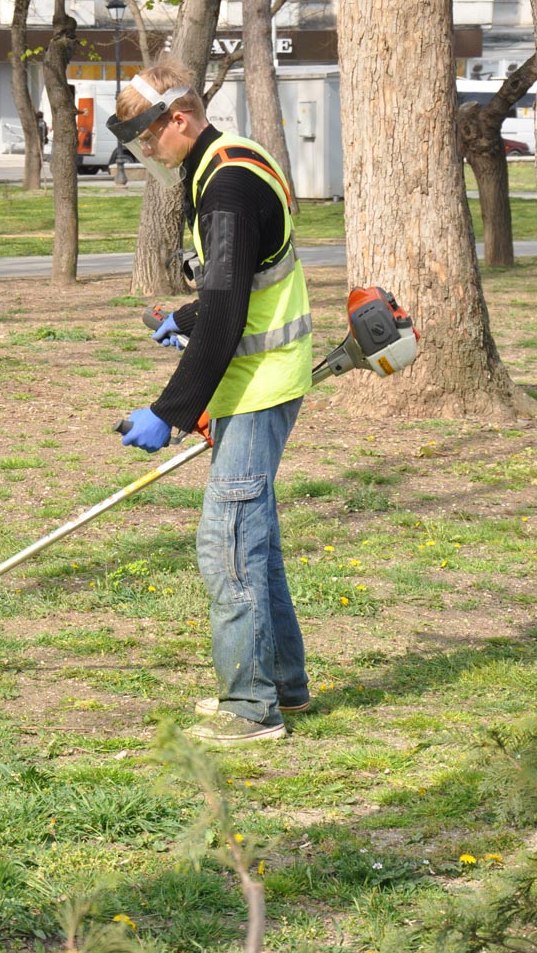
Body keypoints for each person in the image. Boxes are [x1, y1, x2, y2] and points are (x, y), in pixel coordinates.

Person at [107, 60, 313, 747]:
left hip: (259, 385)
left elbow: (230, 308)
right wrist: (187, 319)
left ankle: (251, 708)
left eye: (147, 140)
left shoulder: (224, 186)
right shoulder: (230, 161)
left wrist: (168, 412)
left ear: (181, 119)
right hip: (260, 380)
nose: (145, 155)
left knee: (225, 539)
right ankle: (283, 681)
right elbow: (239, 285)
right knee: (256, 538)